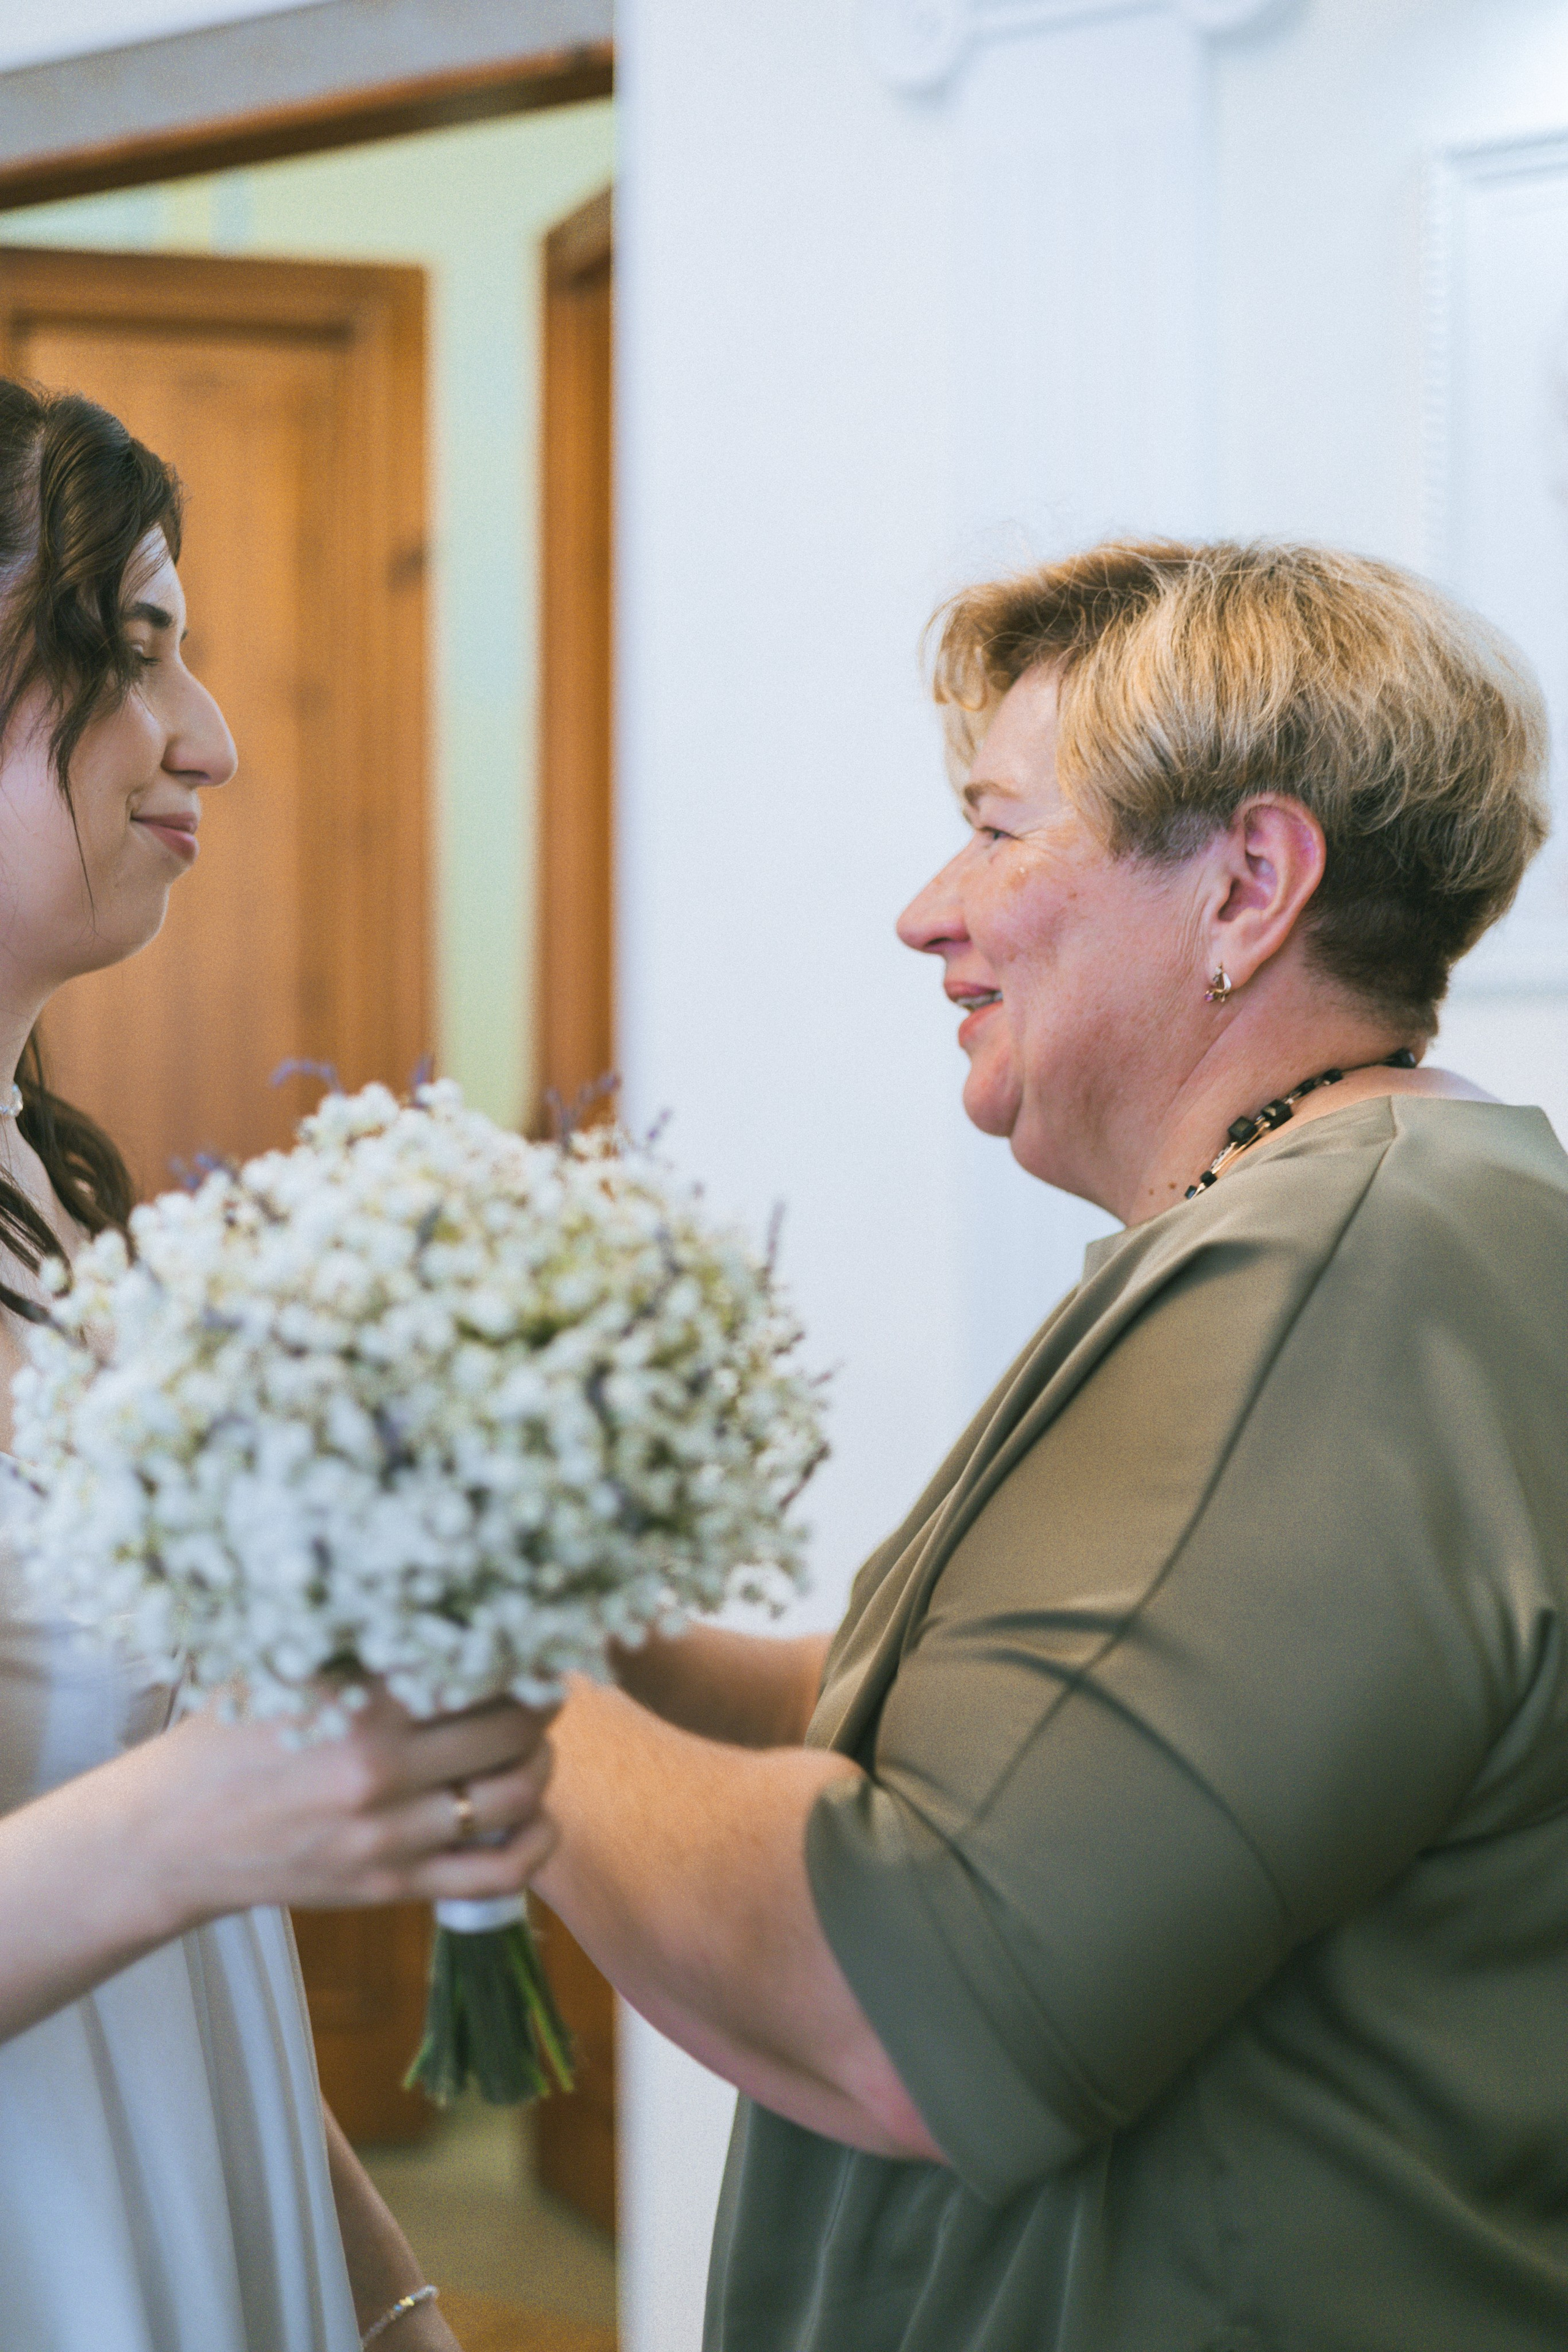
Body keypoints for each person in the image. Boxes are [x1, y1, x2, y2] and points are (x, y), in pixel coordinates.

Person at [533, 540, 1568, 2348]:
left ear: (1249, 880)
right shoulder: (1362, 1223)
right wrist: (604, 1652)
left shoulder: (1351, 1271)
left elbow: (915, 2004)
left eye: (1000, 831)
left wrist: (424, 1679)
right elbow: (1048, 1758)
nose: (931, 909)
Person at [0, 379, 554, 2351]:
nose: (212, 736)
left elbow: (171, 1888)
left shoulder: (52, 1198)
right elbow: (171, 1827)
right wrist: (231, 1809)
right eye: (136, 649)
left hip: (209, 2228)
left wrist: (375, 2287)